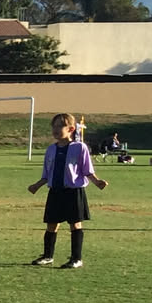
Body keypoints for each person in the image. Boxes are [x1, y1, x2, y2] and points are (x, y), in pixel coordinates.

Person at [29, 112, 105, 268]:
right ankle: (48, 256)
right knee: (51, 224)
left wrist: (97, 182)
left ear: (70, 129)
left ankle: (76, 259)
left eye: (60, 126)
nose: (56, 130)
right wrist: (37, 185)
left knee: (75, 224)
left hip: (73, 192)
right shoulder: (51, 149)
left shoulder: (79, 147)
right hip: (55, 191)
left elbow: (87, 170)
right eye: (54, 126)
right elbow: (47, 173)